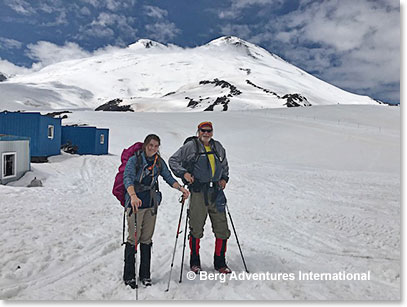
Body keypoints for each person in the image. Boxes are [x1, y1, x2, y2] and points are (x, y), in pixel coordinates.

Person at [123, 134, 189, 288]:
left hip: (151, 203)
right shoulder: (135, 160)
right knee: (133, 239)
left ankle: (145, 275)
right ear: (145, 145)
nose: (153, 148)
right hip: (135, 203)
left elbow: (167, 176)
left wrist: (180, 188)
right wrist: (132, 195)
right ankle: (129, 276)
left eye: (156, 146)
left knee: (146, 238)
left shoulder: (158, 162)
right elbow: (128, 178)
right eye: (151, 145)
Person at [169, 121, 231, 274]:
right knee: (196, 227)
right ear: (198, 132)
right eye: (203, 130)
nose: (206, 133)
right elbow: (173, 160)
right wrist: (184, 174)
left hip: (216, 192)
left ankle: (220, 262)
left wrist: (224, 178)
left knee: (222, 228)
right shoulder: (191, 147)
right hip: (198, 192)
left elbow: (224, 165)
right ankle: (195, 261)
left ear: (212, 132)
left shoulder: (218, 147)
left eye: (209, 131)